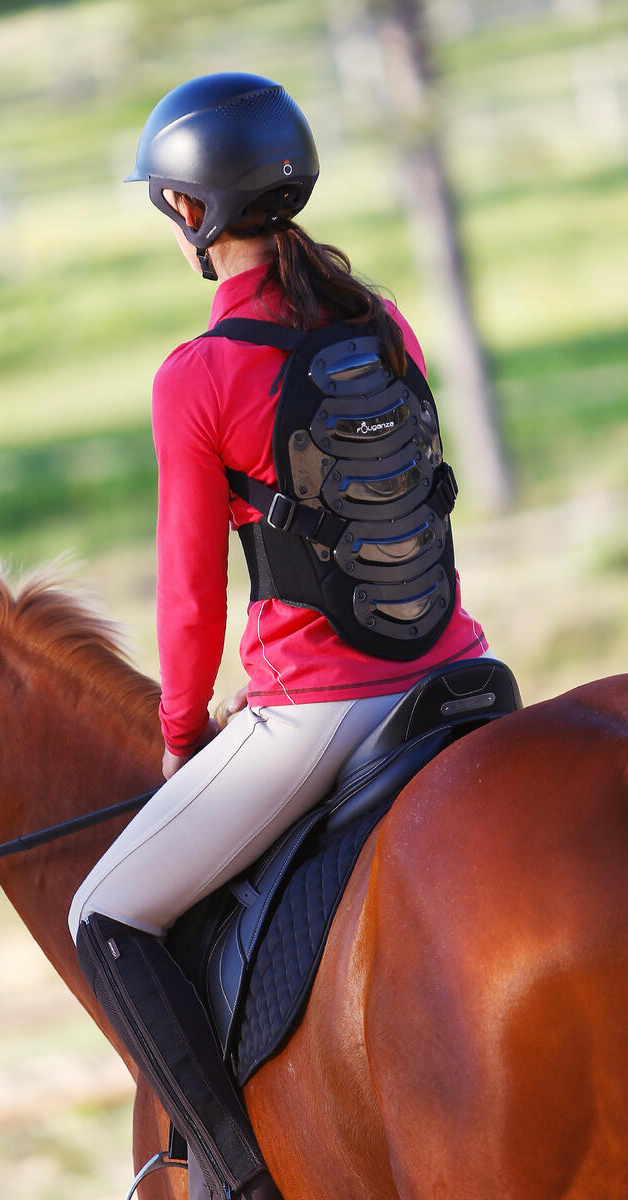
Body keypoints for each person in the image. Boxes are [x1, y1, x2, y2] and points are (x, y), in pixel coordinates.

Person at [70, 72, 489, 1200]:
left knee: (101, 914)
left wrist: (177, 732)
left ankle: (238, 1179)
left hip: (318, 713)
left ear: (189, 214)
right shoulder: (380, 318)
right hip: (461, 671)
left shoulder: (198, 374)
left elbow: (188, 595)